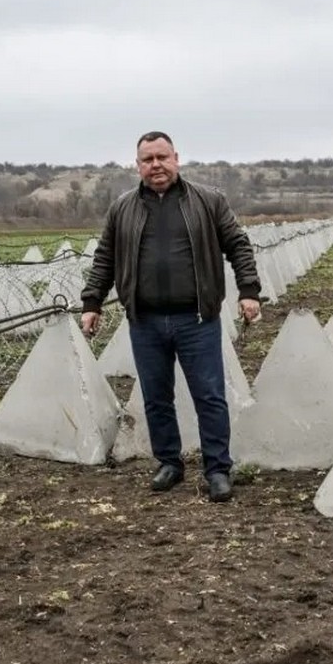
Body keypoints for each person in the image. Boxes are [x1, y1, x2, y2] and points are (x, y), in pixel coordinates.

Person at [81, 131, 262, 502]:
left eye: (162, 157)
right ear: (138, 166)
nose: (156, 165)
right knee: (156, 397)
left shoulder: (208, 202)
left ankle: (217, 469)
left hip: (196, 319)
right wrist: (92, 302)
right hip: (145, 321)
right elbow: (105, 258)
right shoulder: (122, 208)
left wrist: (249, 291)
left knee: (209, 396)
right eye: (148, 160)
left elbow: (238, 245)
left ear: (176, 158)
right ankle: (169, 462)